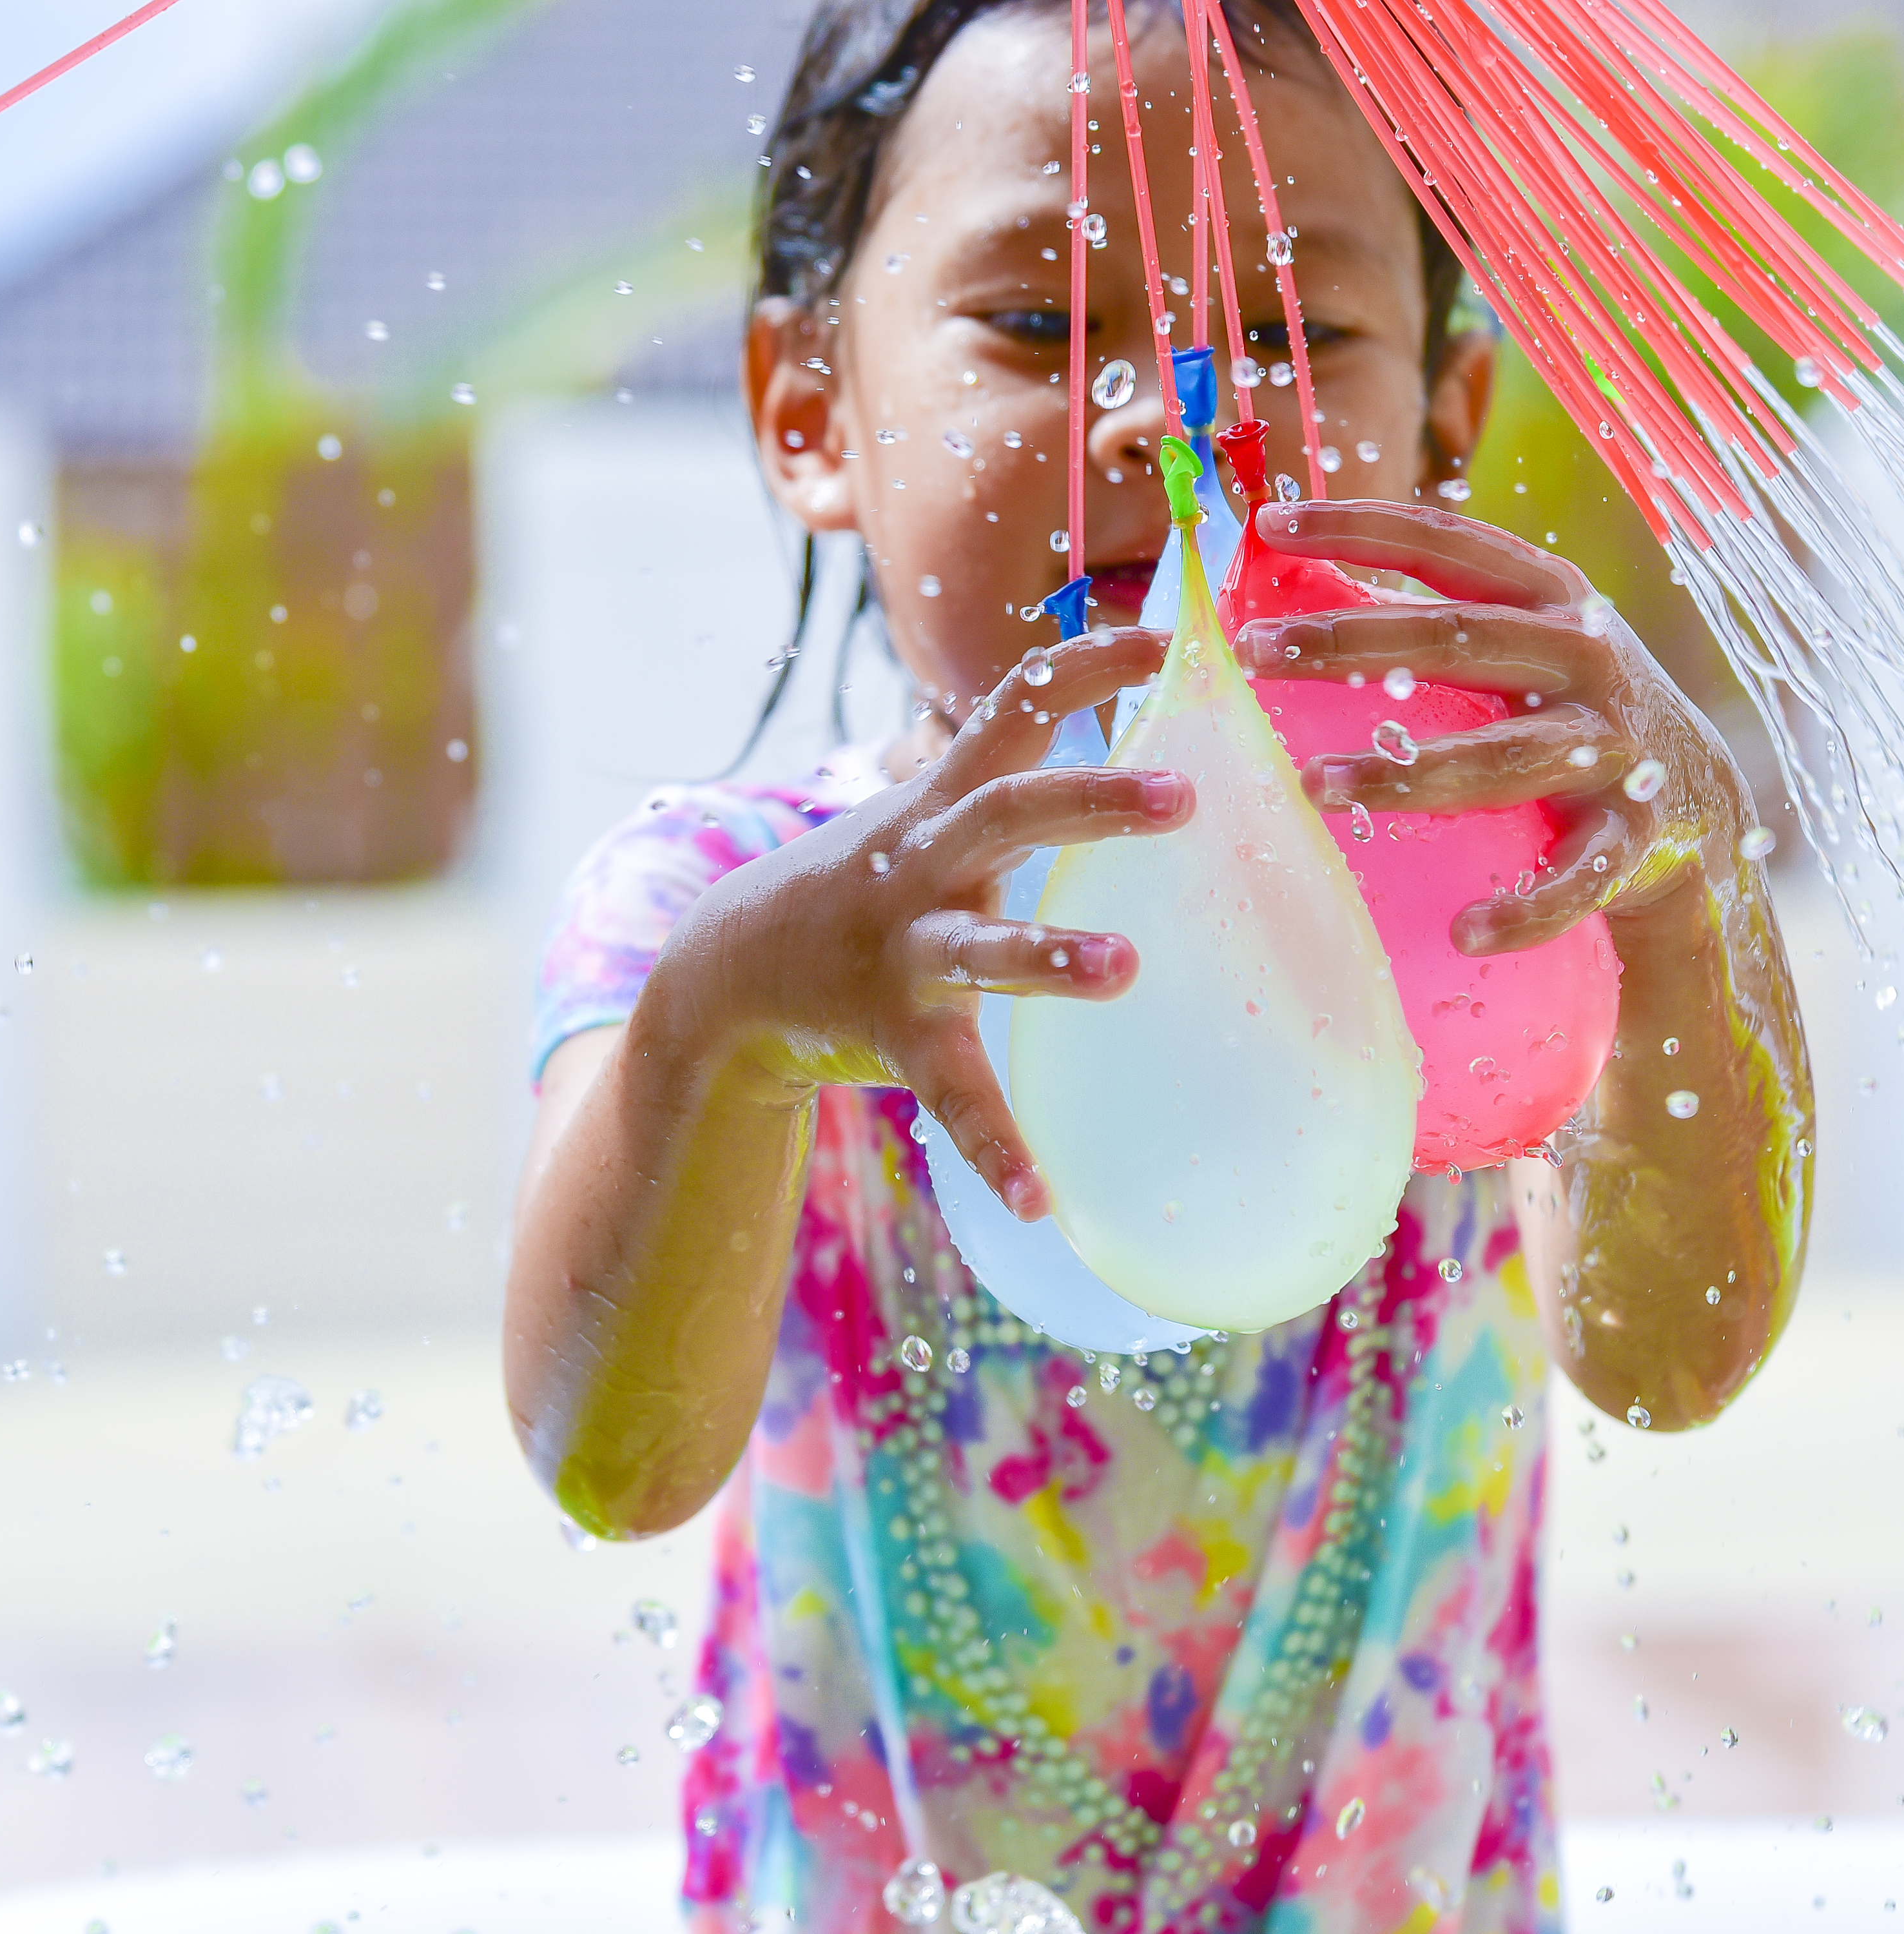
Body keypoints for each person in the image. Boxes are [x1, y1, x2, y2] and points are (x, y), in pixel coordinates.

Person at [505, 1, 1812, 1926]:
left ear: (1442, 422)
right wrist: (729, 1031)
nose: (1175, 413)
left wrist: (1684, 905)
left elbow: (1677, 1357)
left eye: (1289, 335)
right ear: (812, 412)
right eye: (1041, 328)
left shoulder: (1480, 886)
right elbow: (612, 1461)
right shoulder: (737, 910)